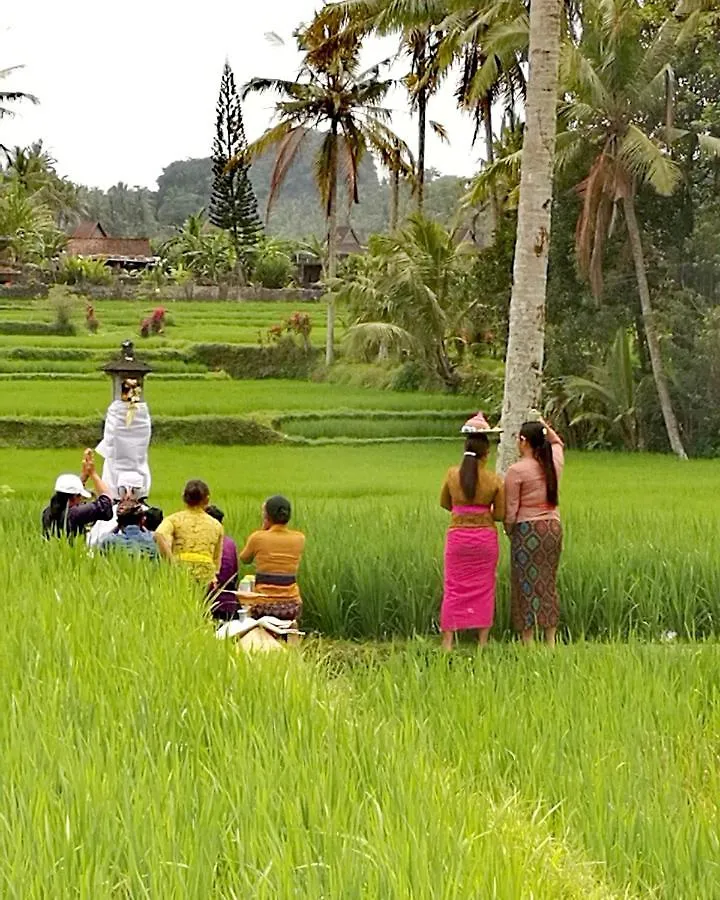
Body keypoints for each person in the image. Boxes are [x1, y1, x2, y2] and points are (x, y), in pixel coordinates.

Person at [439, 431, 505, 650]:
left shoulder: (451, 475)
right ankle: (482, 642)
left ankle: (448, 643)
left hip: (458, 536)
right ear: (486, 454)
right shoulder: (494, 480)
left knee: (453, 587)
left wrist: (463, 511)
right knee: (485, 587)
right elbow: (500, 514)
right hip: (484, 538)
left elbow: (445, 503)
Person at [504, 419, 565, 647]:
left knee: (525, 583)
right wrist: (544, 425)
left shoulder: (517, 470)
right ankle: (550, 640)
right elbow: (558, 442)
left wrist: (510, 531)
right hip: (553, 529)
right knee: (548, 582)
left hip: (527, 529)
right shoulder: (554, 462)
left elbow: (511, 509)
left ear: (523, 441)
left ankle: (528, 640)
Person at [239, 495, 305, 624]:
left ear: (267, 517)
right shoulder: (300, 538)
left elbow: (244, 559)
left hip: (263, 607)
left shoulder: (258, 537)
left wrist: (263, 530)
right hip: (292, 606)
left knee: (245, 584)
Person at [154, 479, 223, 589]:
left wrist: (170, 562)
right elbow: (216, 559)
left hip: (181, 571)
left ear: (184, 497)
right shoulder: (216, 524)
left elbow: (159, 534)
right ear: (207, 499)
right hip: (205, 573)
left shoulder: (174, 519)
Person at [42, 449, 113, 539]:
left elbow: (68, 492)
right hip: (73, 552)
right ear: (74, 497)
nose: (81, 500)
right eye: (80, 496)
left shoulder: (48, 512)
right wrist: (93, 473)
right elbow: (106, 505)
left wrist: (83, 476)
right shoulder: (76, 513)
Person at [206, 505, 239, 621]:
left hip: (208, 602)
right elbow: (235, 574)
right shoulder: (230, 543)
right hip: (229, 602)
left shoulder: (202, 544)